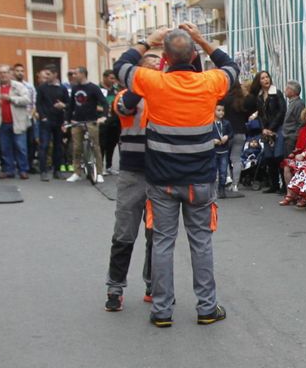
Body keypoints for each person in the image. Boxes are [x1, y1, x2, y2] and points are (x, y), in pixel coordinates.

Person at [114, 23, 237, 328]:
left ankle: (161, 310)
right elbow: (231, 66)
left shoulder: (152, 82)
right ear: (194, 54)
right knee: (201, 243)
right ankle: (207, 308)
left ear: (165, 57)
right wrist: (202, 40)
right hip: (200, 180)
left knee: (163, 244)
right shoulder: (210, 82)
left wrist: (147, 41)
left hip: (162, 181)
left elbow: (121, 66)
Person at [104, 51, 159, 312]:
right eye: (149, 64)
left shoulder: (164, 92)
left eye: (158, 63)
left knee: (156, 235)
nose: (156, 66)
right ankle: (115, 287)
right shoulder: (126, 95)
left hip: (161, 173)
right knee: (124, 233)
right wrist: (141, 83)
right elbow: (124, 108)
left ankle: (152, 284)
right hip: (132, 173)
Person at [0, 65, 34, 180]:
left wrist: (11, 98)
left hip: (18, 122)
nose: (3, 75)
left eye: (5, 73)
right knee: (5, 148)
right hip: (1, 122)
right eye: (0, 73)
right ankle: (8, 169)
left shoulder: (19, 86)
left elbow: (27, 100)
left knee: (21, 147)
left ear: (10, 74)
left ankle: (23, 170)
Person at [64, 67, 106, 183]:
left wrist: (104, 116)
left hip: (91, 121)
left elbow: (104, 102)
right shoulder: (75, 88)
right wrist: (67, 121)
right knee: (76, 147)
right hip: (77, 121)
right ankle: (76, 172)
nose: (73, 75)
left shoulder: (93, 88)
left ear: (82, 74)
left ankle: (99, 172)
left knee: (95, 146)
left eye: (76, 73)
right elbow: (71, 105)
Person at [34, 68, 67, 181]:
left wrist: (63, 106)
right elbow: (38, 104)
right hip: (46, 121)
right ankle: (43, 171)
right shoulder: (42, 88)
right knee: (44, 146)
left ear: (55, 74)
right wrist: (43, 117)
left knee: (58, 146)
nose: (47, 76)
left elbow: (67, 103)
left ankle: (57, 171)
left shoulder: (62, 88)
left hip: (59, 120)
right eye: (46, 74)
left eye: (49, 74)